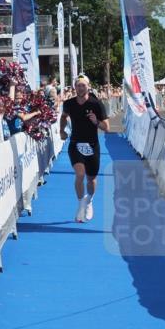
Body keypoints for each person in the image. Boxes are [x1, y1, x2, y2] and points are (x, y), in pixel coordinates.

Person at [60, 76, 109, 222]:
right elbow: (63, 117)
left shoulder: (96, 104)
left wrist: (96, 121)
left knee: (91, 179)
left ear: (88, 86)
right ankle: (81, 204)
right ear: (75, 87)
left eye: (83, 85)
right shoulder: (68, 103)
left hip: (92, 145)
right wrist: (62, 130)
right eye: (78, 85)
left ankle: (90, 201)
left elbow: (106, 128)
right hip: (75, 144)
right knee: (80, 175)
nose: (80, 88)